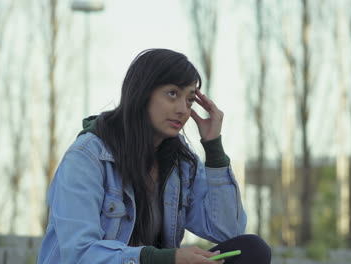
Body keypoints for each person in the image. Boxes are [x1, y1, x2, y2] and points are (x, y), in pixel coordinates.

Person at [37, 49, 271, 264]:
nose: (183, 109)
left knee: (251, 249)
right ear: (142, 93)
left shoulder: (181, 162)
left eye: (189, 99)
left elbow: (228, 231)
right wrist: (165, 259)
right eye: (172, 94)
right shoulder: (87, 157)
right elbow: (79, 254)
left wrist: (213, 149)